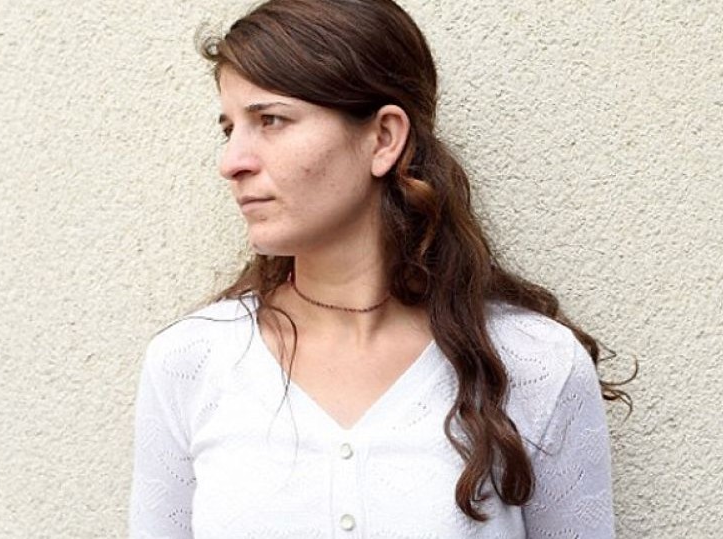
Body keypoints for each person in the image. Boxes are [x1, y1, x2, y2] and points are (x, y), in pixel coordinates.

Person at [128, 0, 632, 537]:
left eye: (270, 120)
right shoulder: (191, 363)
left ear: (384, 138)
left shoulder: (533, 363)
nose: (232, 162)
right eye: (230, 129)